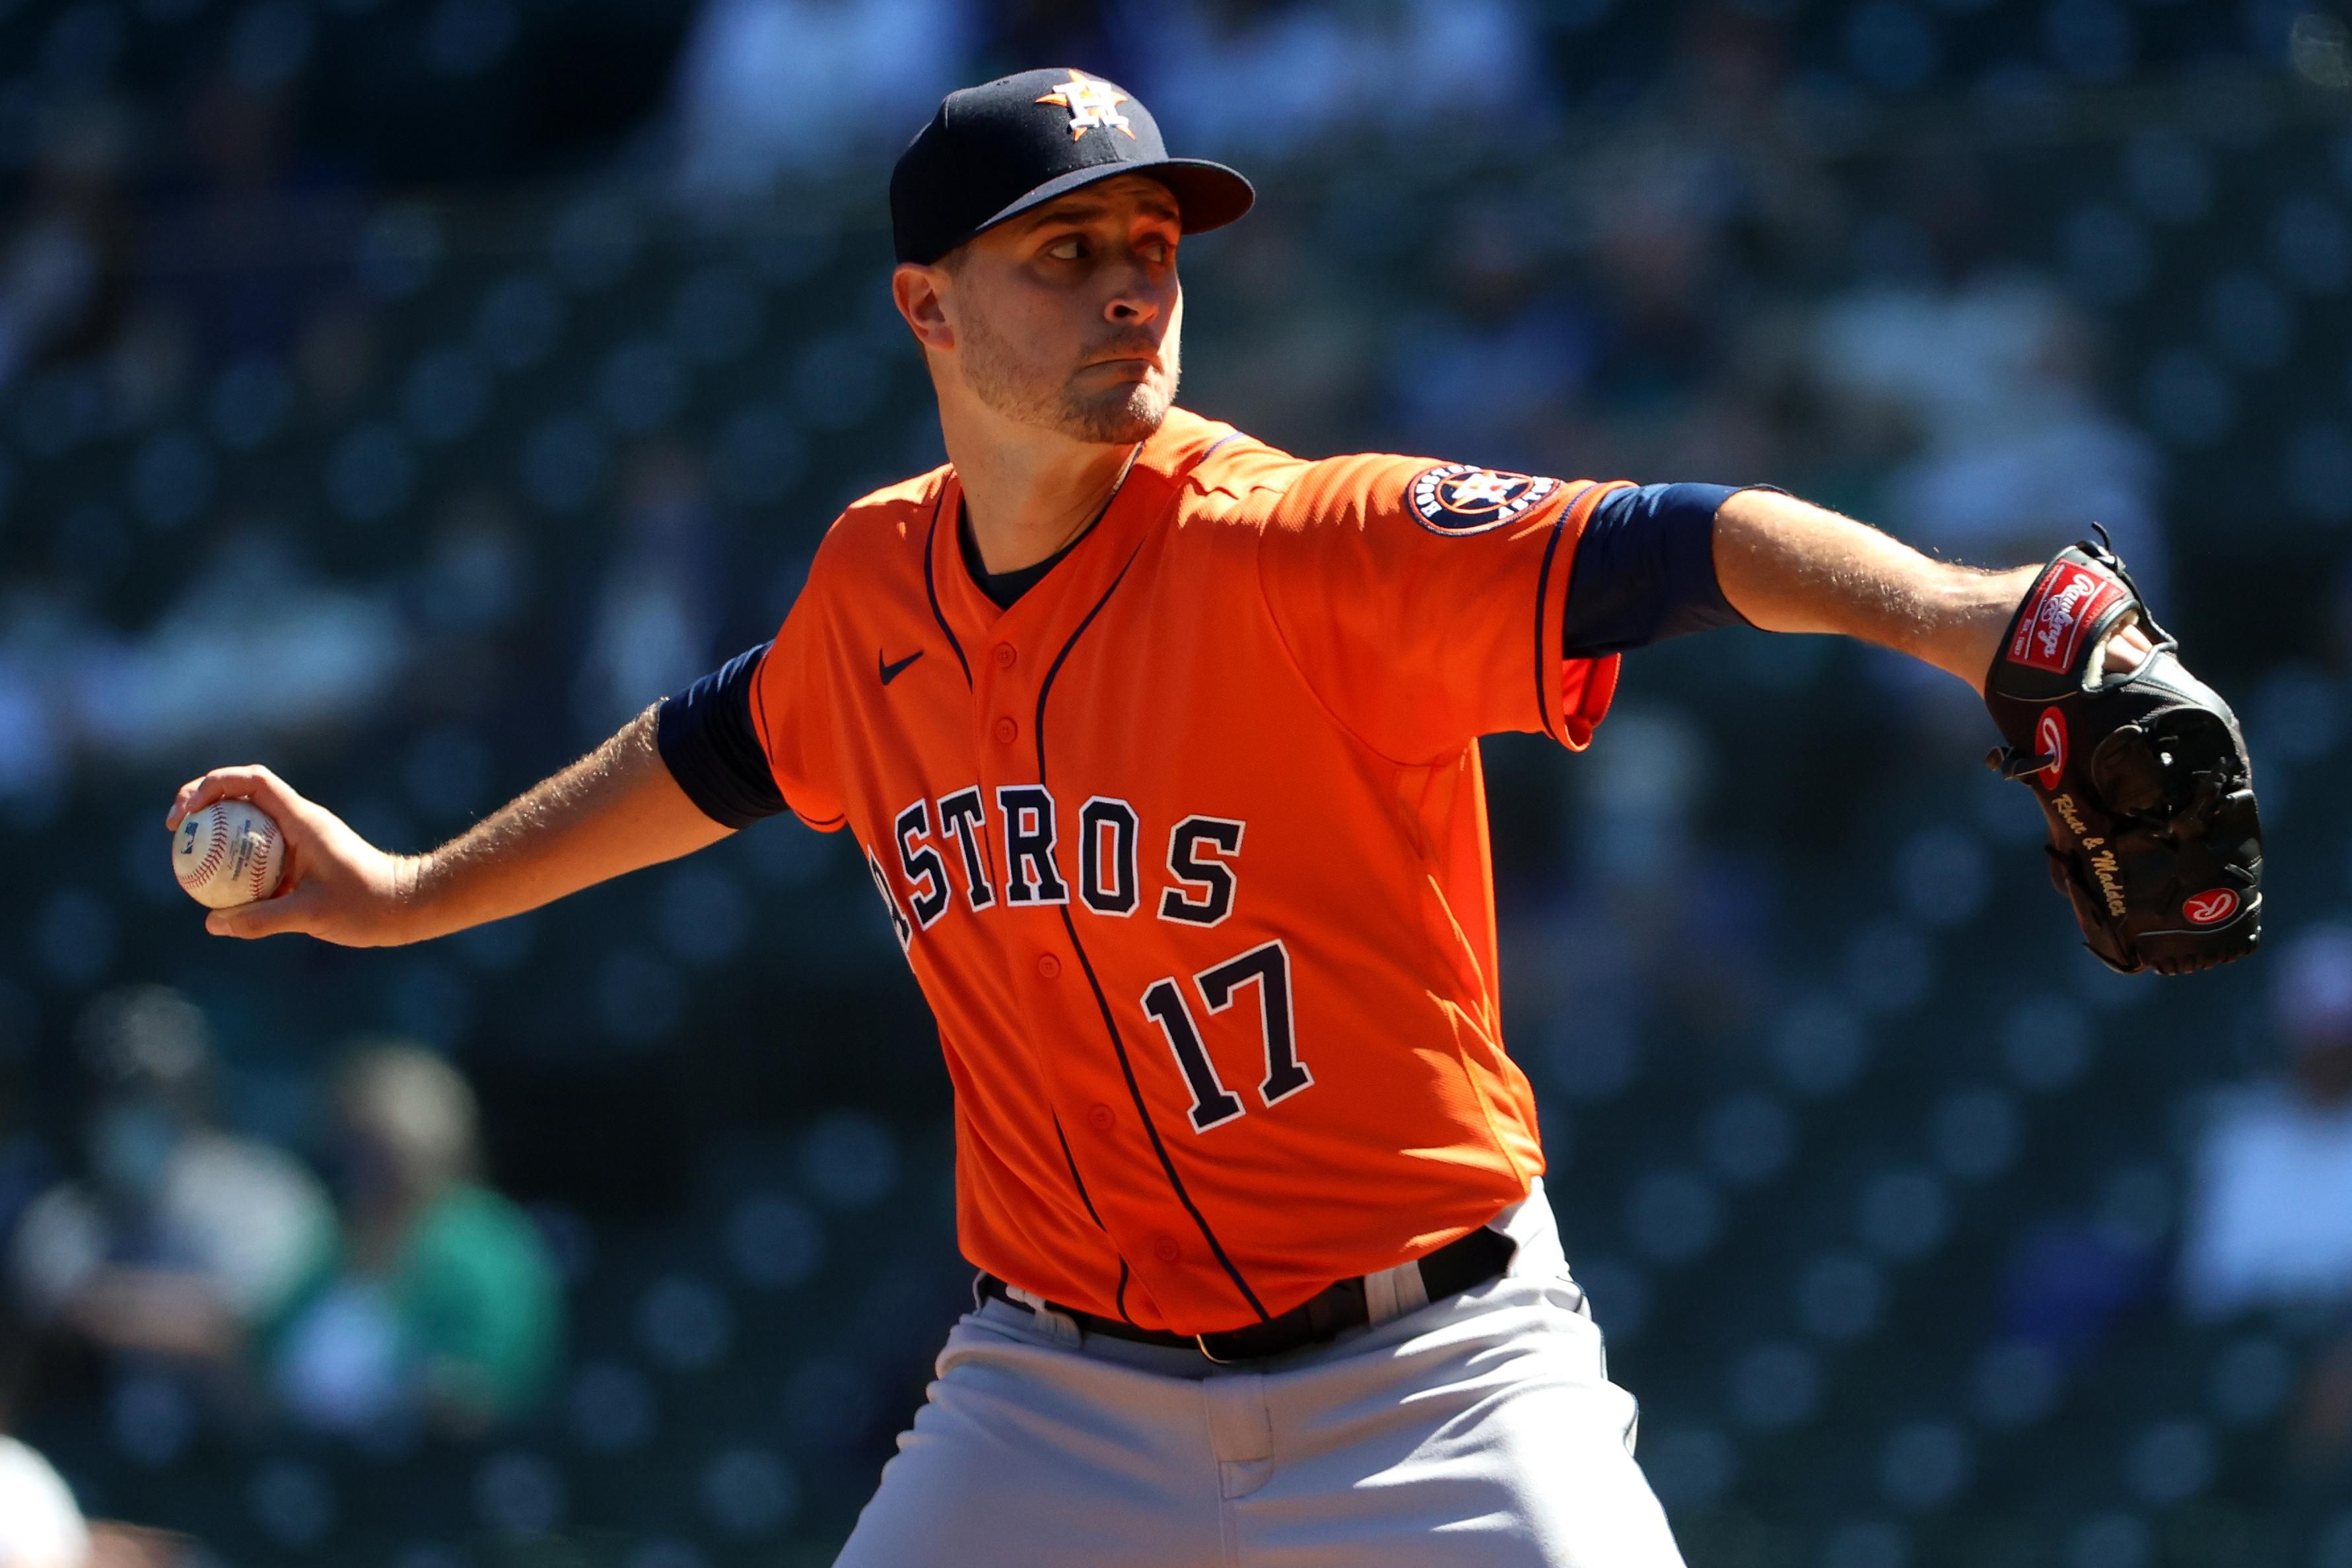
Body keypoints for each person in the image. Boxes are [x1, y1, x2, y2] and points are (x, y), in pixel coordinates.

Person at [168, 69, 2180, 1565]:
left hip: (1430, 1375)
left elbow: (1676, 541)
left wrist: (1960, 610)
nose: (1132, 290)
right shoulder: (874, 590)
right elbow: (713, 748)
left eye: (1151, 251)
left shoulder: (1296, 544)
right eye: (1065, 255)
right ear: (925, 310)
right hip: (1056, 1394)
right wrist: (409, 890)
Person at [9, 987, 334, 1396]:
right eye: (122, 1092)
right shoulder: (65, 1211)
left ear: (202, 1090)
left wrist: (100, 1306)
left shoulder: (267, 1190)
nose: (141, 1107)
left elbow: (230, 1330)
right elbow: (44, 1300)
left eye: (158, 1090)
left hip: (223, 1441)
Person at [272, 1041, 561, 1438]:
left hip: (435, 1472)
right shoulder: (337, 1242)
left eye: (379, 1147)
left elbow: (494, 1381)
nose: (364, 1165)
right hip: (313, 1461)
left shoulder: (483, 1241)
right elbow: (265, 1354)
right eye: (352, 1144)